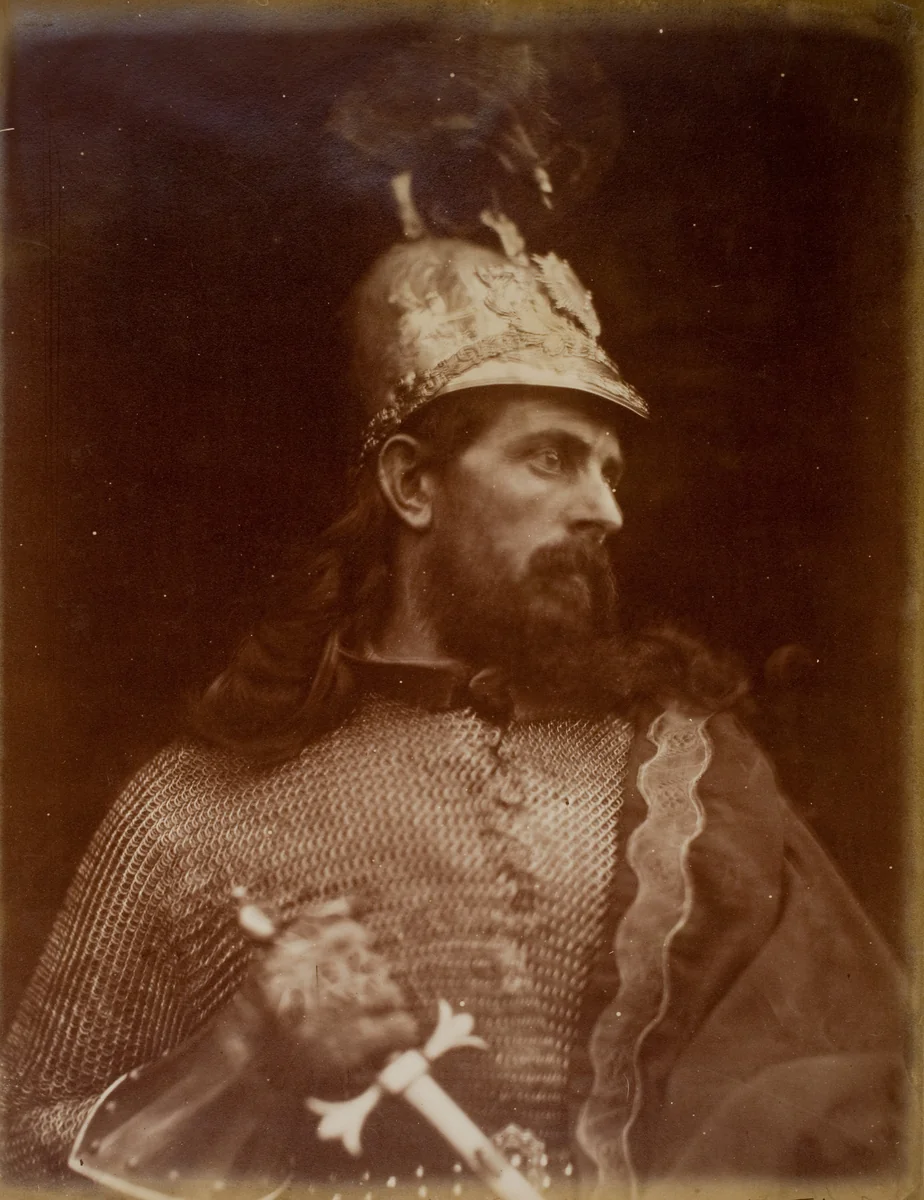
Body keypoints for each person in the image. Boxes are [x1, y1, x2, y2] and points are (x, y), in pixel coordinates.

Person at [1, 231, 907, 1199]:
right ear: (413, 484)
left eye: (610, 470)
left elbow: (871, 1121)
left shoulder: (692, 781)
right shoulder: (189, 813)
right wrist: (238, 1063)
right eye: (551, 459)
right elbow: (22, 1160)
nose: (604, 510)